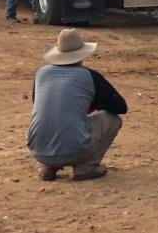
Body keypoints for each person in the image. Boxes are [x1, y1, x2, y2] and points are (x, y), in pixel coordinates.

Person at [28, 29, 127, 182]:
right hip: (76, 149)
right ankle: (87, 167)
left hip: (38, 150)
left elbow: (39, 104)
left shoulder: (41, 73)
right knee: (113, 120)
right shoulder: (89, 75)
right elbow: (120, 107)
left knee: (51, 118)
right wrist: (93, 104)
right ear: (82, 55)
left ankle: (48, 166)